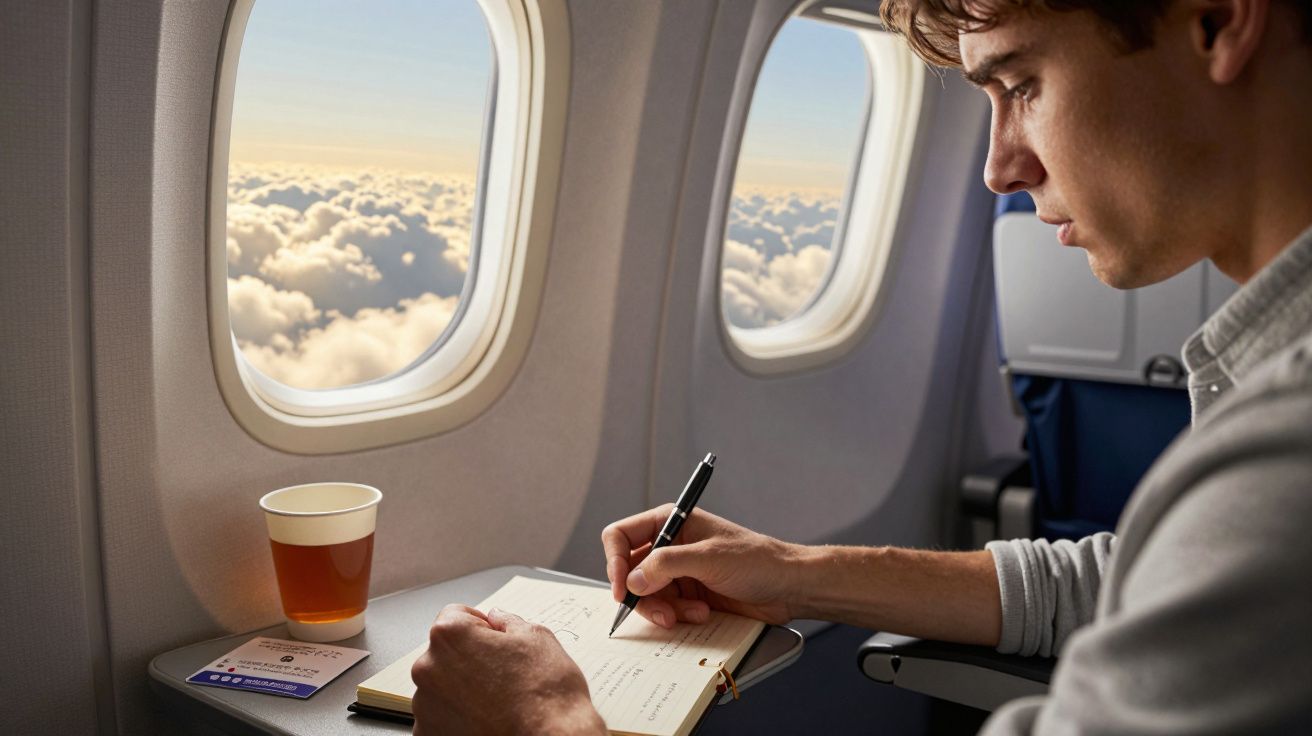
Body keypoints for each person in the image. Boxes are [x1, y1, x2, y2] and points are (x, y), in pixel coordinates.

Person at [410, 0, 1312, 732]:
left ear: (1218, 21)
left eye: (1022, 83)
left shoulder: (1287, 449)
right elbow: (1135, 583)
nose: (998, 168)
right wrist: (792, 571)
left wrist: (544, 724)